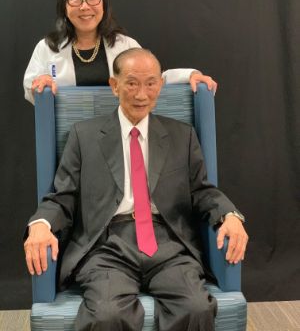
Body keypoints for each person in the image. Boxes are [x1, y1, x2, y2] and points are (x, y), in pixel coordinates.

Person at [24, 48, 248, 331]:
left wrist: (229, 215)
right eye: (131, 83)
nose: (142, 94)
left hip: (169, 244)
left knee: (196, 308)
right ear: (114, 85)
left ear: (160, 85)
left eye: (151, 83)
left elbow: (202, 191)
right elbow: (63, 196)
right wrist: (41, 224)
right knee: (106, 315)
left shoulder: (182, 135)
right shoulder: (85, 135)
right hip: (107, 247)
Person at [23, 0, 217, 105]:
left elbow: (152, 79)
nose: (84, 6)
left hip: (117, 139)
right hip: (68, 139)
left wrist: (191, 74)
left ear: (103, 4)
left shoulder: (125, 45)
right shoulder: (48, 47)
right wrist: (39, 85)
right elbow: (31, 91)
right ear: (64, 7)